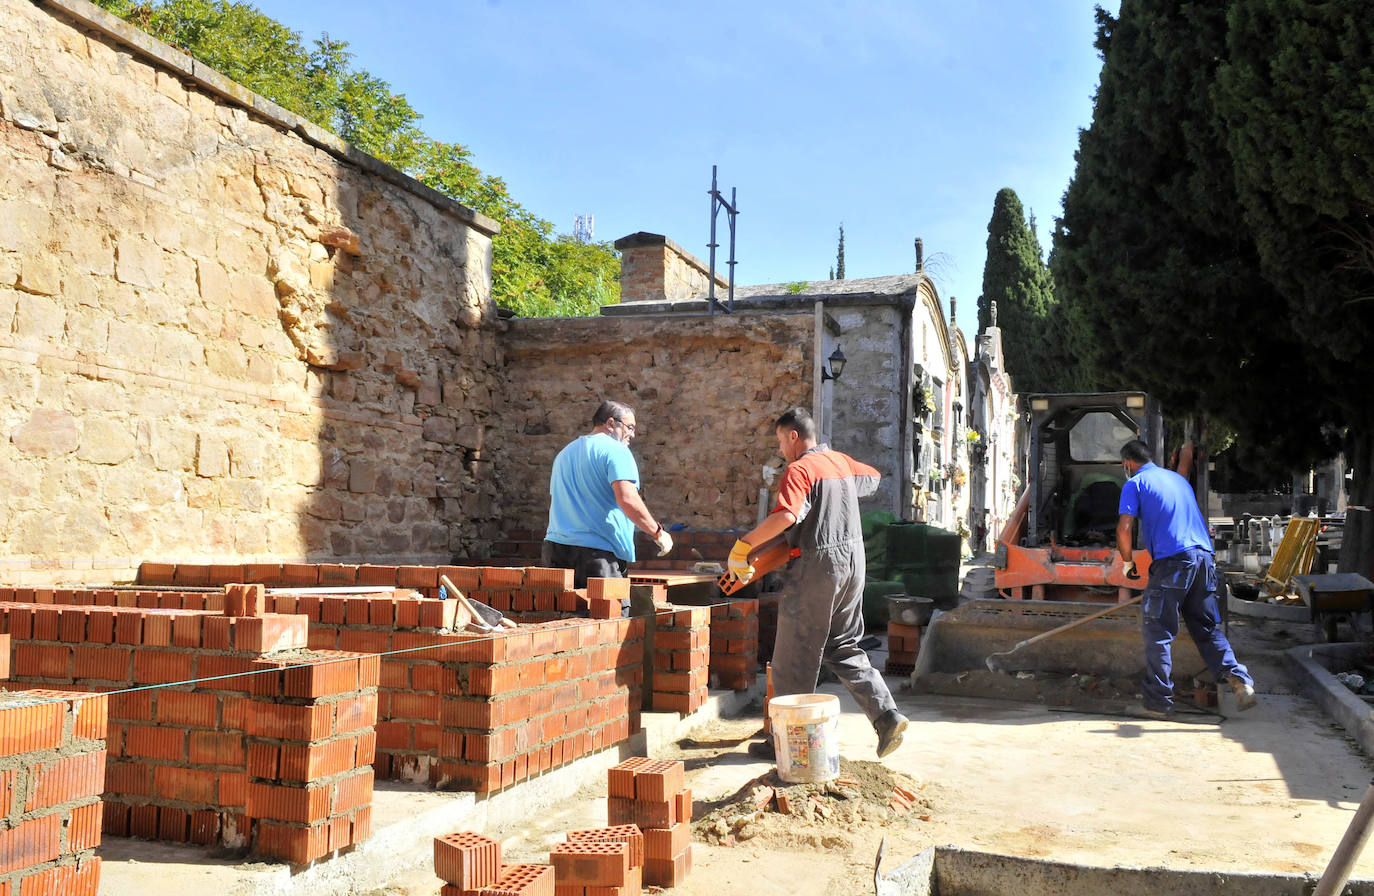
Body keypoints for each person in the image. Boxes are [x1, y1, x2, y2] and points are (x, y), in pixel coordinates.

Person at [729, 407, 909, 759]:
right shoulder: (838, 462)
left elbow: (786, 516)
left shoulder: (801, 469)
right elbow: (871, 477)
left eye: (781, 441)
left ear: (793, 436)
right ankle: (887, 716)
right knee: (843, 645)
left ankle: (784, 743)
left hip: (819, 568)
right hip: (853, 564)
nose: (781, 450)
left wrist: (745, 544)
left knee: (793, 657)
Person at [1117, 439, 1256, 718]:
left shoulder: (1134, 484)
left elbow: (1124, 528)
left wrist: (1128, 562)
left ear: (1128, 464)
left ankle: (1157, 704)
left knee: (1157, 632)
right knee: (1205, 628)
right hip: (1203, 558)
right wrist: (1187, 452)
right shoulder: (1178, 481)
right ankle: (1239, 682)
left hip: (1172, 562)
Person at [543, 399, 673, 587]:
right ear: (611, 423)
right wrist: (658, 532)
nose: (633, 434)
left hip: (555, 550)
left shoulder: (565, 453)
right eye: (630, 427)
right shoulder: (617, 451)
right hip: (596, 554)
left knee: (560, 613)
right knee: (608, 615)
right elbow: (627, 499)